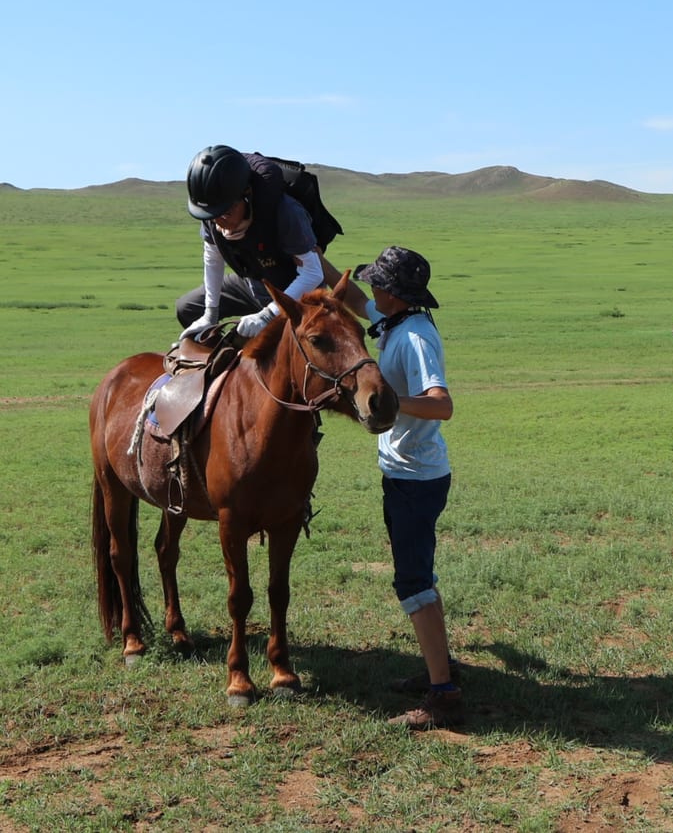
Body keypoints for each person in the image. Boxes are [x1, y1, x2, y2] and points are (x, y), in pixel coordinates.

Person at [329, 246, 463, 729]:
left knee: (412, 583)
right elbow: (348, 294)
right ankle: (438, 668)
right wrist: (307, 252)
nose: (372, 290)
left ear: (393, 292)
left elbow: (442, 405)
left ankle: (443, 693)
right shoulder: (395, 322)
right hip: (407, 474)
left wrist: (387, 400)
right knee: (421, 578)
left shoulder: (415, 338)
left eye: (378, 283)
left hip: (416, 478)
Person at [177, 146, 326, 340]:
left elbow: (313, 273)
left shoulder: (286, 213)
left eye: (226, 213)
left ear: (247, 193)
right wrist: (210, 314)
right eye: (211, 216)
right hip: (253, 284)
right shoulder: (213, 210)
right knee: (188, 308)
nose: (219, 222)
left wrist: (268, 314)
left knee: (287, 343)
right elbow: (213, 257)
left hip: (296, 293)